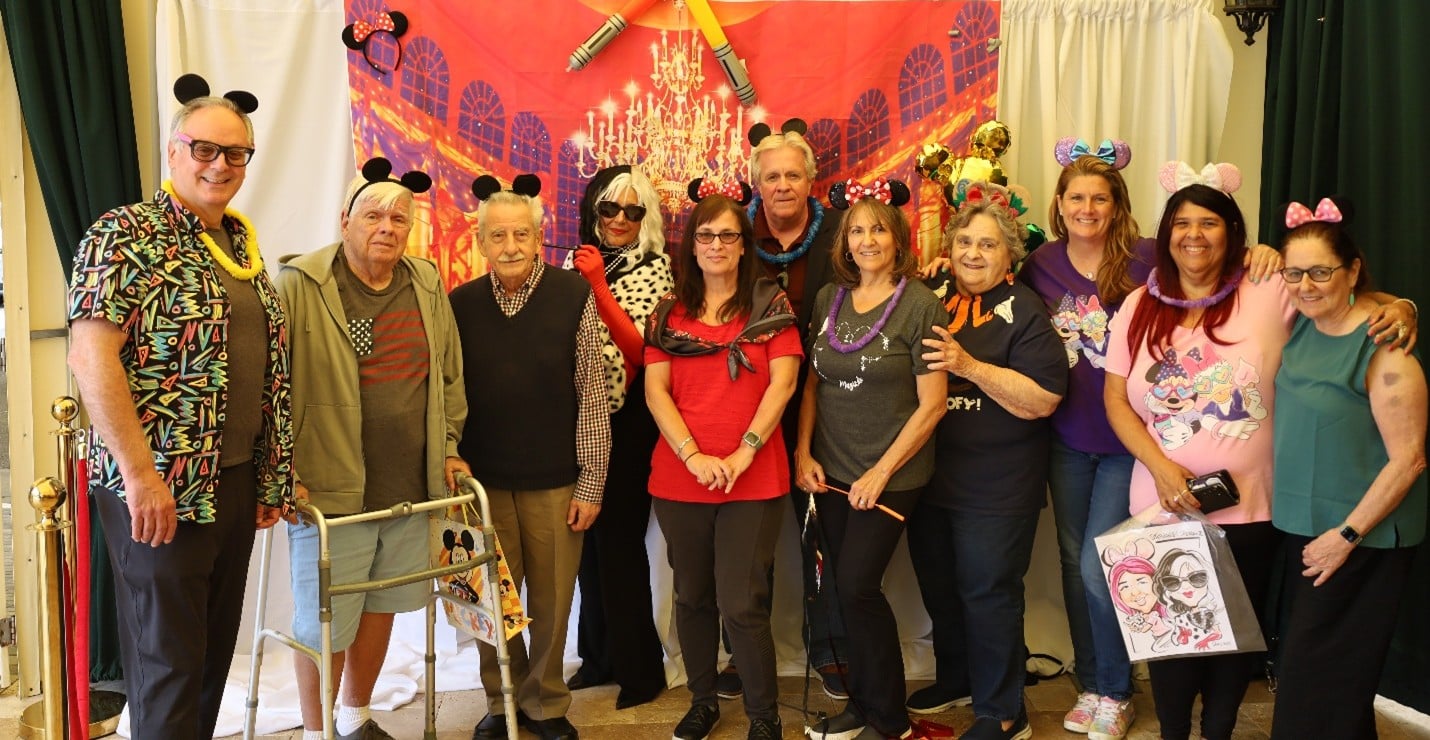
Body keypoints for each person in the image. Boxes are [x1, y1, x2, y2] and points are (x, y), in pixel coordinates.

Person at [1019, 142, 1288, 740]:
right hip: (1086, 442)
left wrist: (1265, 254)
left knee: (1105, 569)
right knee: (1084, 567)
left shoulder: (1151, 262)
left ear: (1118, 207)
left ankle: (1117, 687)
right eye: (1077, 197)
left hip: (1150, 457)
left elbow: (1319, 301)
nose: (1088, 207)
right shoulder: (1043, 266)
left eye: (1101, 197)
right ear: (1060, 205)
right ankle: (1099, 683)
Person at [66, 81, 293, 738]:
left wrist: (271, 476)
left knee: (206, 661)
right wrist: (140, 474)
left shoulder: (240, 248)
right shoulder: (126, 232)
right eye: (204, 148)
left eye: (237, 153)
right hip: (160, 483)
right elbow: (91, 358)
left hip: (234, 478)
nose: (220, 164)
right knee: (167, 662)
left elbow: (263, 369)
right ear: (173, 150)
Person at [276, 160, 469, 740]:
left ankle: (355, 715)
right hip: (330, 485)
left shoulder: (426, 282)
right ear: (345, 221)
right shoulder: (300, 284)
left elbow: (450, 376)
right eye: (373, 215)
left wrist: (450, 449)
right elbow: (272, 386)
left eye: (398, 218)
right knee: (323, 621)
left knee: (382, 604)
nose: (386, 226)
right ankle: (316, 733)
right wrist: (282, 470)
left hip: (412, 483)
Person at [1102, 173, 1288, 740]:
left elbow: (1340, 304)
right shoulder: (1138, 306)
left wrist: (1397, 306)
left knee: (1234, 636)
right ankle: (1175, 733)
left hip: (1250, 503)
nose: (1194, 235)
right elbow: (1116, 401)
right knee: (1171, 641)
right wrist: (1161, 468)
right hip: (1164, 505)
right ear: (1165, 235)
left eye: (1209, 222)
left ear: (1232, 233)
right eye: (1181, 223)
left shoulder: (1269, 291)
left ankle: (1220, 732)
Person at [452, 177, 610, 740]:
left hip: (556, 482)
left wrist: (592, 482)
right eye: (499, 235)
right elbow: (448, 391)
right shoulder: (461, 304)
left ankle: (545, 705)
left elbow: (593, 391)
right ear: (482, 242)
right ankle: (501, 705)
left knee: (550, 601)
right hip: (481, 486)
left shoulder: (573, 295)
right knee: (492, 603)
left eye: (522, 233)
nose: (511, 245)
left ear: (540, 237)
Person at [644, 194, 801, 740]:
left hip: (753, 476)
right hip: (679, 476)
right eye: (705, 236)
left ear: (743, 246)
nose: (716, 246)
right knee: (692, 595)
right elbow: (656, 392)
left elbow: (783, 383)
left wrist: (743, 451)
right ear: (692, 245)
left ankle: (764, 717)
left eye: (727, 236)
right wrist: (693, 455)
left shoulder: (769, 306)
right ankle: (703, 701)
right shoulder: (669, 310)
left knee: (741, 601)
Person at [914, 183, 1067, 740]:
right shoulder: (929, 293)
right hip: (931, 478)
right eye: (964, 243)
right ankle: (957, 678)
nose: (973, 254)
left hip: (997, 487)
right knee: (941, 586)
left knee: (988, 592)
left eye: (988, 245)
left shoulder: (1024, 310)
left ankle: (1004, 711)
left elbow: (1044, 399)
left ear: (1010, 255)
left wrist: (967, 364)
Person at [1268, 200, 1426, 739]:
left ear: (1352, 270)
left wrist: (1347, 535)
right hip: (1309, 527)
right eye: (1295, 272)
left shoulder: (1387, 346)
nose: (1306, 284)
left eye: (1321, 271)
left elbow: (1410, 459)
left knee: (1312, 687)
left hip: (1363, 537)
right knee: (1337, 686)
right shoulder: (1302, 325)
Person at [794, 184, 947, 740]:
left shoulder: (921, 303)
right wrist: (802, 450)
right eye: (856, 230)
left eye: (878, 228)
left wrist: (880, 473)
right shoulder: (829, 298)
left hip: (894, 473)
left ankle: (889, 717)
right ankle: (862, 702)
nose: (867, 240)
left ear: (897, 236)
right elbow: (812, 384)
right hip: (830, 469)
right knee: (841, 587)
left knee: (858, 585)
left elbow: (932, 407)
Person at [737, 118, 849, 700]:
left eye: (793, 174)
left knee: (820, 532)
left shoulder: (840, 235)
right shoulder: (733, 233)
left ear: (811, 180)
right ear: (756, 183)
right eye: (771, 175)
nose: (782, 184)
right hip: (746, 406)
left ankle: (829, 648)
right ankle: (742, 652)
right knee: (746, 538)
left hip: (823, 407)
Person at [565, 165, 672, 708]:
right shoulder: (573, 260)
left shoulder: (657, 269)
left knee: (620, 543)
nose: (621, 220)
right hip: (580, 416)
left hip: (630, 416)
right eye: (611, 208)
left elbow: (641, 350)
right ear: (593, 211)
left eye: (634, 210)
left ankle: (641, 670)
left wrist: (598, 286)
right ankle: (598, 657)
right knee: (585, 542)